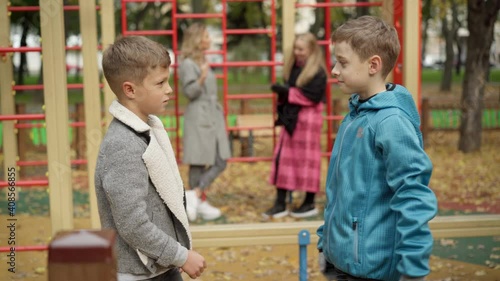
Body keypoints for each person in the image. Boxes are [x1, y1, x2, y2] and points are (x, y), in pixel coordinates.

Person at [317, 16, 438, 281]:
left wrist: (413, 270)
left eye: (343, 62)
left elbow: (413, 195)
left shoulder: (391, 122)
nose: (335, 70)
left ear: (373, 65)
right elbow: (339, 191)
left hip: (374, 270)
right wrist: (326, 244)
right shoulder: (353, 117)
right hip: (343, 262)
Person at [96, 35, 206, 280]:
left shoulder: (146, 132)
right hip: (139, 273)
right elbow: (132, 224)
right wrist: (181, 256)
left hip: (160, 266)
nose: (169, 89)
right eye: (160, 83)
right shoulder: (122, 145)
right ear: (130, 90)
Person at [263, 32, 328, 219]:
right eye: (296, 48)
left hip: (308, 123)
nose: (297, 52)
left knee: (308, 161)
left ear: (311, 50)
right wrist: (286, 93)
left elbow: (311, 97)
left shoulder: (318, 72)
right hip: (292, 119)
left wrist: (288, 92)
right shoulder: (294, 67)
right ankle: (280, 202)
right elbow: (295, 92)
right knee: (283, 158)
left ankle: (309, 202)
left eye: (301, 49)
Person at [178, 23, 231, 222]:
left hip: (212, 115)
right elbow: (190, 92)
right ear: (197, 39)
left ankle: (194, 196)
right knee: (198, 161)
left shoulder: (202, 60)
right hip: (198, 115)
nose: (209, 40)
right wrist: (201, 77)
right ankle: (197, 202)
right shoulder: (187, 64)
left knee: (221, 159)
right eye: (206, 36)